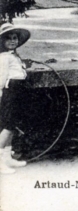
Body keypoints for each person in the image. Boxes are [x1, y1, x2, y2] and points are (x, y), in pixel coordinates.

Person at [0, 23, 31, 174]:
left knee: (12, 125)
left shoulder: (13, 55)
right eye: (8, 38)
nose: (13, 41)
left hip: (18, 91)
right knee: (7, 126)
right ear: (2, 42)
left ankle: (7, 156)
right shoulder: (4, 57)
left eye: (15, 38)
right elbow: (1, 79)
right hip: (9, 92)